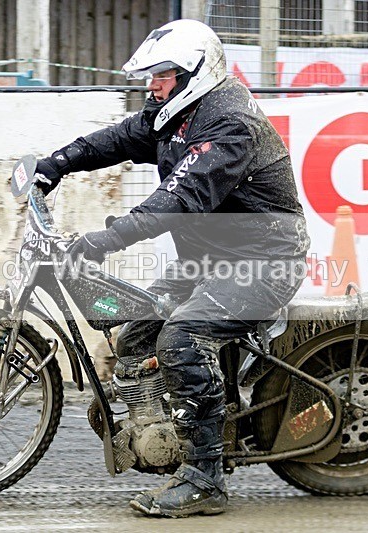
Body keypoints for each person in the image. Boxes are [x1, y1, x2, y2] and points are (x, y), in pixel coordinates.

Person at [34, 19, 310, 518]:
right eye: (150, 75)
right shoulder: (171, 113)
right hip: (208, 259)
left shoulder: (229, 124)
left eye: (161, 74)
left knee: (180, 337)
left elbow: (180, 197)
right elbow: (119, 139)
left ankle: (205, 478)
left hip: (264, 261)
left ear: (194, 74)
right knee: (137, 329)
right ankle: (159, 427)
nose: (151, 85)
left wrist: (107, 239)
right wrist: (57, 163)